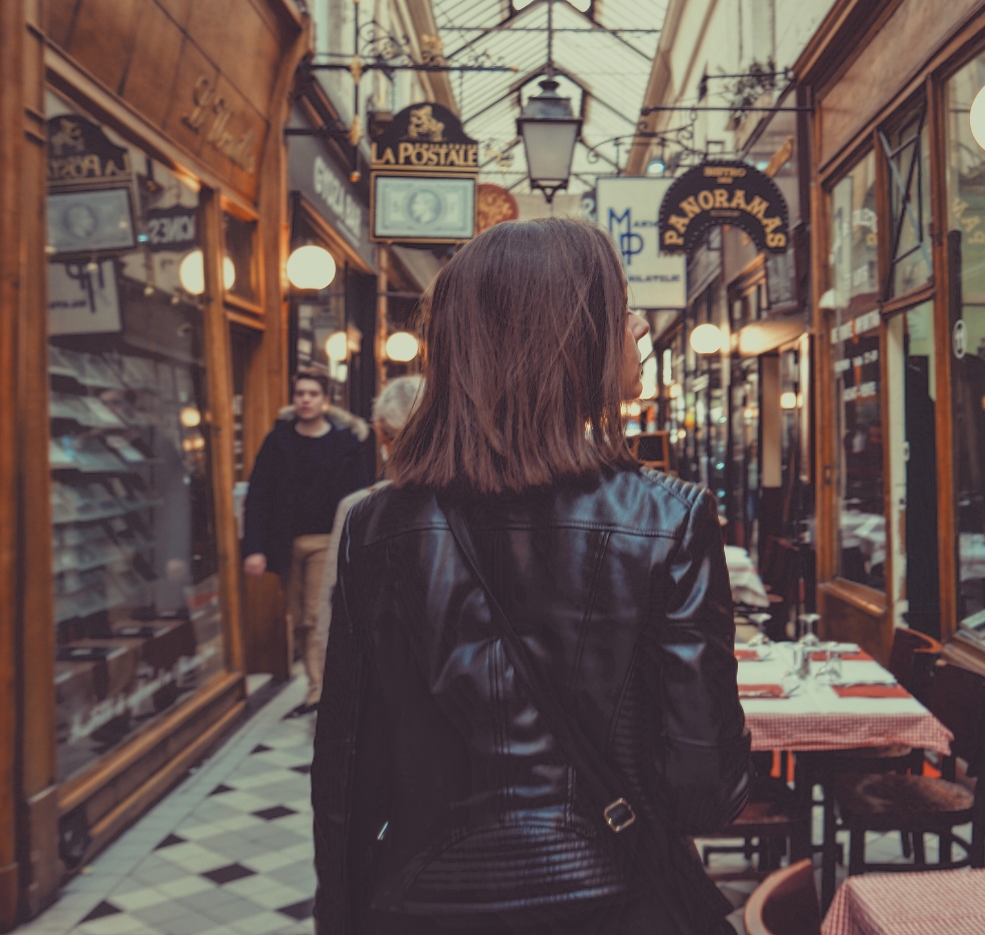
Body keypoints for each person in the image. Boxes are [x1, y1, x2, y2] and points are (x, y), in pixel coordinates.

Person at [312, 219, 750, 935]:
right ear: (568, 340)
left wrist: (339, 917)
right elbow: (705, 794)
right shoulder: (669, 518)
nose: (639, 326)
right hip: (614, 903)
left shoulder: (375, 526)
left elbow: (346, 777)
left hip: (420, 904)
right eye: (619, 308)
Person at [296, 374, 425, 716]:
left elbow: (332, 608)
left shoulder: (358, 509)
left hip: (377, 692)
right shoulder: (474, 503)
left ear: (381, 431)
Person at [241, 370, 370, 705]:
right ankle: (316, 681)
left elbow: (360, 496)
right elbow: (259, 495)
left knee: (315, 613)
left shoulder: (345, 443)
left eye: (313, 393)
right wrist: (253, 548)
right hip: (286, 543)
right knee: (299, 618)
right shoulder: (278, 441)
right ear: (294, 399)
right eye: (300, 393)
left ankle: (319, 690)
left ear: (325, 400)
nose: (306, 399)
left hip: (326, 541)